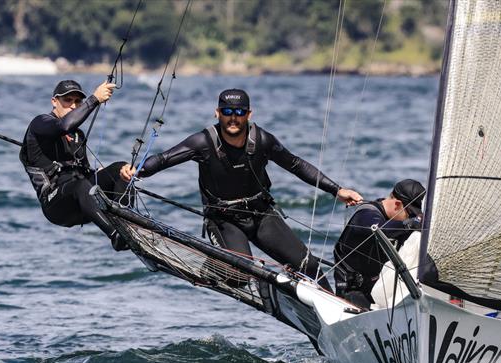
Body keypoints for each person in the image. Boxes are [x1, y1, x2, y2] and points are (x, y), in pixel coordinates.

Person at [120, 89, 361, 291]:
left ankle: (337, 309)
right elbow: (164, 159)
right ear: (217, 113)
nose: (233, 118)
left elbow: (295, 164)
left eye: (239, 113)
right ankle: (211, 267)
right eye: (226, 112)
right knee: (240, 277)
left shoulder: (263, 140)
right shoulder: (203, 142)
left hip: (261, 214)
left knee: (310, 267)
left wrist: (336, 190)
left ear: (248, 114)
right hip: (224, 220)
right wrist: (137, 170)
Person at [20, 79, 131, 251]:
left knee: (121, 169)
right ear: (54, 101)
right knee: (79, 185)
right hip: (55, 204)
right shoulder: (40, 123)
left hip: (83, 201)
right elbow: (63, 126)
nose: (73, 105)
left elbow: (84, 173)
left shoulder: (78, 135)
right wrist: (94, 99)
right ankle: (116, 236)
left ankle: (127, 224)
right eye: (68, 100)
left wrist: (97, 173)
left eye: (78, 101)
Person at [333, 179, 425, 309]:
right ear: (397, 204)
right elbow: (379, 229)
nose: (408, 219)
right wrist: (413, 223)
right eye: (409, 215)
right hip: (351, 293)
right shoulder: (367, 213)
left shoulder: (397, 223)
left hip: (378, 291)